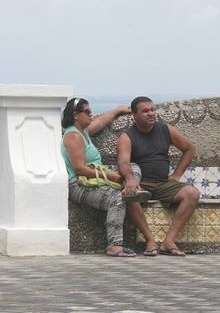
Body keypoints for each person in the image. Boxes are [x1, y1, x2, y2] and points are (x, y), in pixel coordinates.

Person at [61, 97, 158, 257]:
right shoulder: (73, 136)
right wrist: (111, 176)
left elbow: (99, 123)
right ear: (76, 115)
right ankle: (115, 245)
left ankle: (132, 187)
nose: (91, 115)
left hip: (95, 178)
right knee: (117, 199)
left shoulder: (82, 132)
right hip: (79, 185)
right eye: (87, 112)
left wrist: (117, 110)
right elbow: (80, 169)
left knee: (133, 168)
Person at [117, 96, 200, 256]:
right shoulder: (126, 137)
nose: (151, 114)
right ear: (135, 115)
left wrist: (176, 175)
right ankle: (150, 240)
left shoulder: (165, 129)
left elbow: (189, 149)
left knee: (192, 194)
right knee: (130, 195)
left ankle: (169, 242)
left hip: (163, 183)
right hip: (141, 183)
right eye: (145, 111)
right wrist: (131, 179)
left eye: (152, 110)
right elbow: (123, 162)